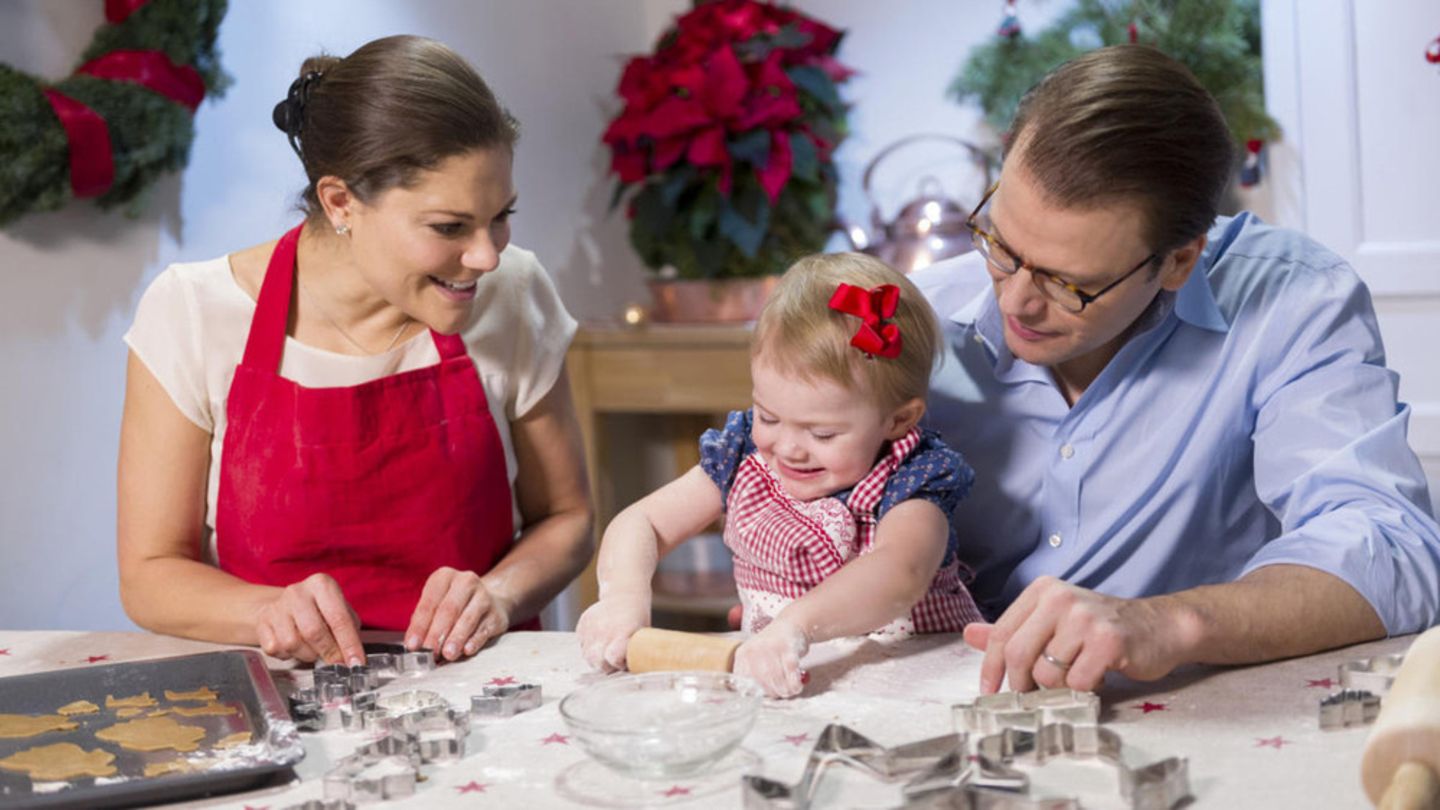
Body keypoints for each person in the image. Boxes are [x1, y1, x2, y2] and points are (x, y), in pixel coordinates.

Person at [914, 44, 1440, 694]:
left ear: (1180, 261)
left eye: (1069, 283)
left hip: (1203, 722)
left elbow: (1393, 548)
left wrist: (1169, 623)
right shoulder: (917, 323)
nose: (1016, 299)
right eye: (1001, 244)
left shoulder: (1295, 299)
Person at [116, 35, 592, 666]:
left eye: (501, 215)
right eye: (449, 227)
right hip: (278, 697)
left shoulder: (514, 293)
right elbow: (150, 574)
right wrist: (265, 610)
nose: (486, 256)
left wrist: (500, 594)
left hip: (480, 692)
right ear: (340, 202)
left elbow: (567, 516)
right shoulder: (193, 313)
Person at [577, 253, 983, 697]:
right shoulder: (743, 457)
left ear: (898, 420)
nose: (788, 448)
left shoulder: (911, 476)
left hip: (917, 688)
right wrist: (622, 596)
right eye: (769, 416)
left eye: (822, 433)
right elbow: (644, 522)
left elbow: (900, 572)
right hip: (789, 684)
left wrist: (795, 626)